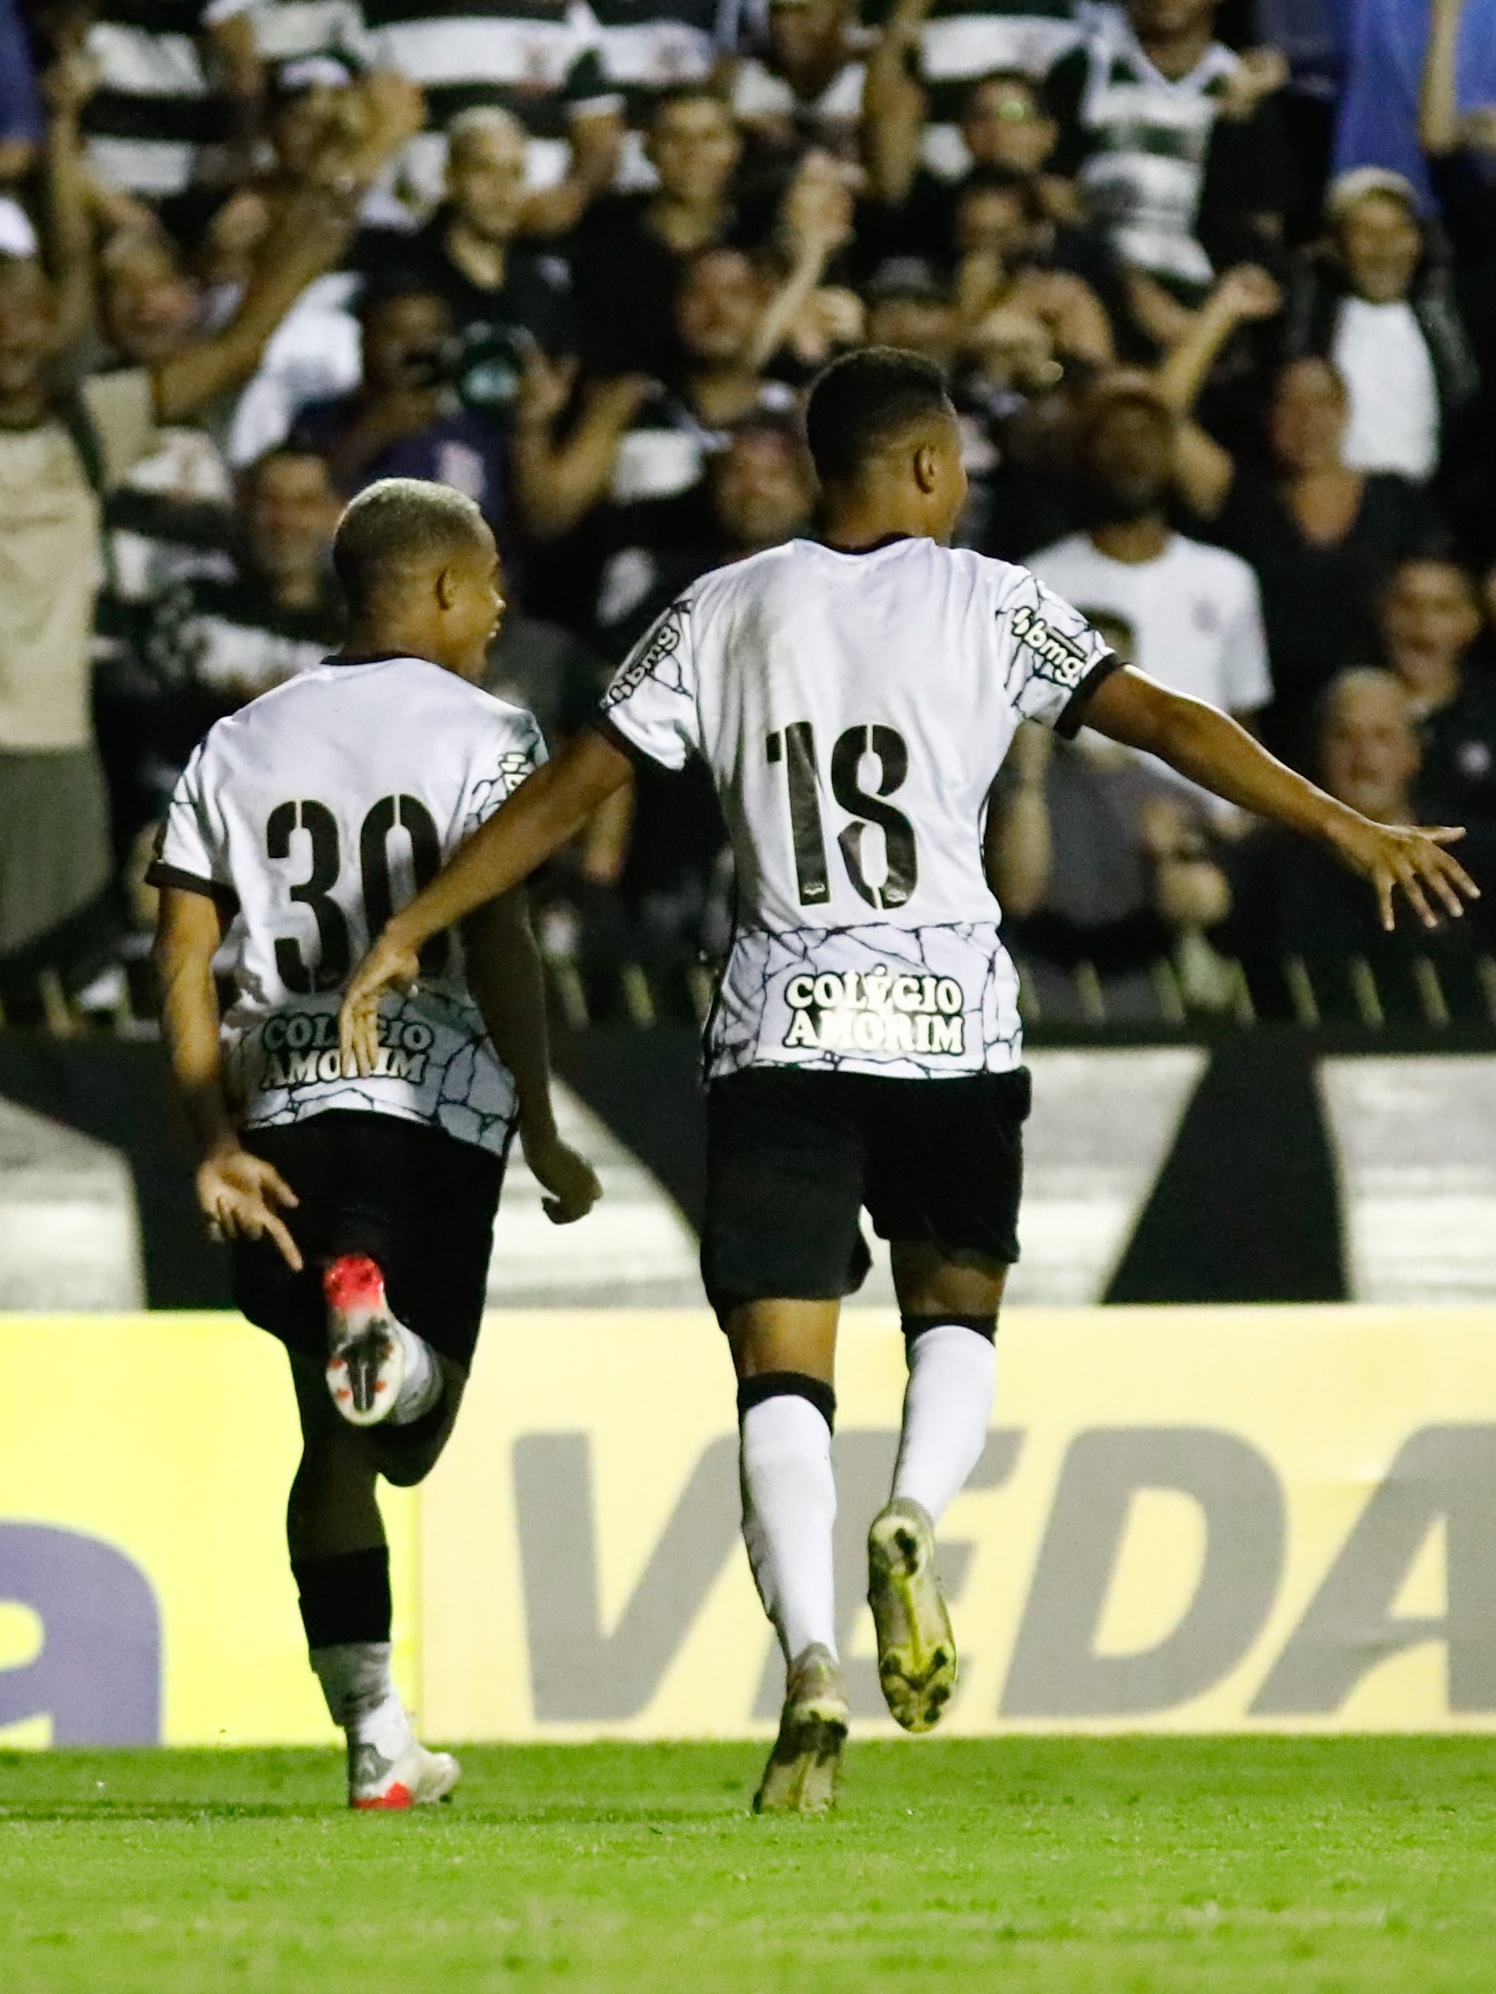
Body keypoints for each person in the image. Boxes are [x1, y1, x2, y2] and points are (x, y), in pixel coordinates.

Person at [337, 348, 1476, 1812]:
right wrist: (1339, 822)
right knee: (955, 1311)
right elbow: (1170, 723)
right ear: (930, 467)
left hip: (780, 1029)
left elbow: (567, 790)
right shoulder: (991, 598)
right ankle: (916, 1514)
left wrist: (412, 926)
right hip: (948, 1022)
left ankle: (811, 1657)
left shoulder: (722, 608)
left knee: (780, 1370)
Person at [150, 477, 601, 1809]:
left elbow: (182, 956)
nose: (504, 607)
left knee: (327, 1438)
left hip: (283, 1109)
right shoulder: (491, 727)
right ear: (448, 591)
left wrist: (208, 1136)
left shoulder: (236, 739)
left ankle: (375, 1734)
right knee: (407, 1426)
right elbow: (501, 938)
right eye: (494, 583)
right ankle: (388, 1335)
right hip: (429, 1108)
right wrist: (538, 1113)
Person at [1159, 269, 1446, 754]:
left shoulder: (1395, 499)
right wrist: (1224, 310)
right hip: (1267, 736)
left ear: (1344, 412)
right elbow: (1159, 414)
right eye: (1290, 406)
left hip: (1370, 735)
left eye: (1320, 403)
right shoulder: (1242, 496)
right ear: (1269, 419)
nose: (1306, 420)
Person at [1214, 669, 1495, 1023]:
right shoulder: (1270, 856)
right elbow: (1206, 896)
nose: (1364, 757)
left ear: (1414, 753)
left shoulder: (1471, 854)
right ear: (1321, 750)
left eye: (1382, 737)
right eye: (1345, 737)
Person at [1029, 375, 1274, 753]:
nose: (1132, 453)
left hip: (1202, 807)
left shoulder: (1228, 578)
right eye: (1115, 437)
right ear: (1086, 452)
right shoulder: (1038, 583)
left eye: (1146, 436)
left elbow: (1244, 721)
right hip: (1087, 805)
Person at [1375, 557, 1496, 824]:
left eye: (1442, 608)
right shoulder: (1342, 707)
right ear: (1383, 612)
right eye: (1407, 604)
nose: (1422, 620)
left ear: (1472, 621)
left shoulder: (1490, 713)